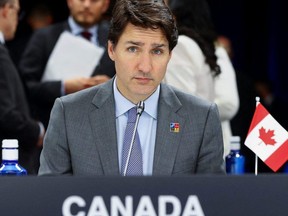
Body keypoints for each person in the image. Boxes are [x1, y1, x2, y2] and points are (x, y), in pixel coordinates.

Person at [38, 0, 225, 176]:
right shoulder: (69, 113)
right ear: (111, 50)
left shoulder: (201, 117)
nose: (145, 66)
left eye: (157, 51)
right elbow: (50, 200)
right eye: (133, 49)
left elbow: (213, 202)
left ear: (170, 55)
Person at [19, 0, 115, 128]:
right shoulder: (44, 37)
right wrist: (63, 86)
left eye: (94, 0)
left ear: (105, 5)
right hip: (54, 128)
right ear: (69, 2)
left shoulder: (116, 39)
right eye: (81, 0)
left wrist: (112, 86)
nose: (86, 5)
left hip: (103, 127)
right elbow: (24, 87)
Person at [164, 0, 239, 157]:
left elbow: (182, 107)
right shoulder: (197, 45)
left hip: (190, 150)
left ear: (175, 14)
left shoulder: (181, 46)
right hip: (204, 146)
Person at [0, 0, 44, 174]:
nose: (17, 19)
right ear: (6, 10)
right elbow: (5, 112)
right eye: (17, 12)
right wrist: (38, 131)